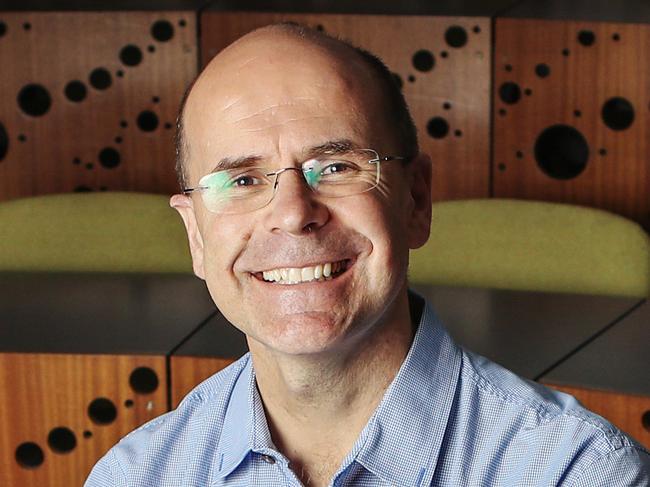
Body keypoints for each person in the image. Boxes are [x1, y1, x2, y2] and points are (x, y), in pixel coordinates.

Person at [85, 23, 649, 487]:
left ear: (416, 201)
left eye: (335, 167)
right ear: (196, 238)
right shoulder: (138, 475)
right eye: (242, 179)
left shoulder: (576, 472)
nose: (292, 212)